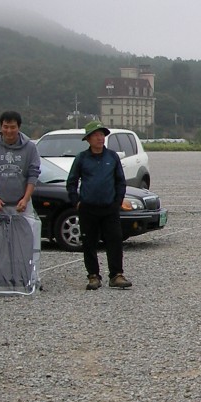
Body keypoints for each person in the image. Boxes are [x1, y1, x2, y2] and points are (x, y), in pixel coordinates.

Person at [66, 120, 132, 290]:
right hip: (88, 208)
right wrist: (76, 202)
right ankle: (93, 276)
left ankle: (116, 275)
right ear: (88, 139)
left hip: (109, 207)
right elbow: (72, 181)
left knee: (115, 240)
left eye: (102, 134)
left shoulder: (112, 156)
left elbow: (120, 181)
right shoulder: (82, 158)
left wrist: (117, 201)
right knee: (89, 243)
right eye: (95, 135)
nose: (100, 138)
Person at [0, 110, 40, 215]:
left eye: (13, 127)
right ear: (1, 127)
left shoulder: (30, 147)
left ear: (19, 127)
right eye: (6, 127)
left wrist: (25, 199)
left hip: (22, 205)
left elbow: (33, 174)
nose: (9, 131)